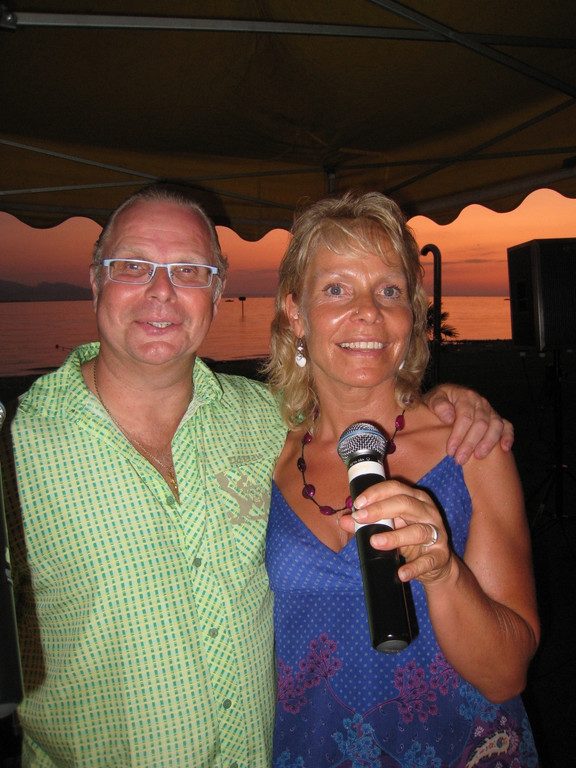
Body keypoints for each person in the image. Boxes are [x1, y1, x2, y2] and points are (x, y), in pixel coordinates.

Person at [2, 183, 513, 768]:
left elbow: (359, 396)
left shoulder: (263, 421)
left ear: (217, 292)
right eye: (134, 265)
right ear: (96, 280)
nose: (162, 290)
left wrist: (452, 401)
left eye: (189, 270)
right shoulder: (14, 450)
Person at [265, 190, 540, 767]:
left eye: (389, 290)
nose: (368, 311)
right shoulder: (259, 453)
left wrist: (444, 572)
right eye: (336, 289)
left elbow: (506, 675)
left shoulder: (470, 448)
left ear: (411, 315)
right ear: (295, 312)